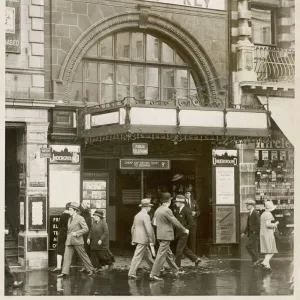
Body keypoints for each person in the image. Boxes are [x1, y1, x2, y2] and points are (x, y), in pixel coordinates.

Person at [149, 192, 189, 281]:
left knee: (168, 254)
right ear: (169, 201)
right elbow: (174, 221)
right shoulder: (167, 210)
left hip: (160, 235)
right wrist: (184, 229)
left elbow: (154, 223)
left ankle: (176, 270)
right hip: (166, 235)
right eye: (171, 200)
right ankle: (153, 274)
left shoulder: (158, 210)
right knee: (161, 255)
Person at [58, 202, 95, 278]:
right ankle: (64, 272)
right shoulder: (69, 219)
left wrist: (77, 233)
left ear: (75, 210)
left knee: (83, 255)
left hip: (77, 240)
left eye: (71, 210)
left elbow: (86, 229)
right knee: (66, 257)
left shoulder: (80, 218)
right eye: (69, 209)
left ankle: (90, 269)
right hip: (69, 241)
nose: (69, 211)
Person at [128, 198, 155, 280]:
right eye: (149, 206)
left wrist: (133, 239)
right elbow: (149, 229)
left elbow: (133, 228)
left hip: (139, 238)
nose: (150, 208)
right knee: (137, 256)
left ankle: (156, 268)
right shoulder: (146, 216)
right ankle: (131, 273)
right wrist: (152, 240)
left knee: (147, 255)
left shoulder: (137, 215)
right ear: (146, 207)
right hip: (144, 239)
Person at [173, 195, 201, 268]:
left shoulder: (186, 210)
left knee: (179, 250)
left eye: (177, 202)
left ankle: (177, 266)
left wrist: (185, 229)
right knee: (184, 248)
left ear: (181, 202)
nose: (175, 203)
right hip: (179, 233)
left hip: (183, 233)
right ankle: (196, 259)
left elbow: (192, 223)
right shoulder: (179, 210)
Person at [51, 202, 71, 273]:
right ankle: (66, 267)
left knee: (60, 250)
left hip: (62, 234)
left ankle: (59, 266)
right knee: (68, 250)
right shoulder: (71, 216)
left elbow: (59, 226)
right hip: (69, 234)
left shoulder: (63, 215)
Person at [259, 200, 279, 272]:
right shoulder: (269, 214)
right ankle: (264, 262)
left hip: (263, 234)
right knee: (272, 250)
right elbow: (268, 224)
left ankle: (267, 266)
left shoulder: (263, 214)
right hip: (268, 234)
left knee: (267, 251)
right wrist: (275, 224)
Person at [241, 199, 261, 267]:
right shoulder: (250, 213)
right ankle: (255, 262)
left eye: (248, 205)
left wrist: (256, 232)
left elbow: (258, 223)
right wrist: (244, 232)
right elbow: (248, 225)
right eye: (246, 205)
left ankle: (256, 259)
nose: (246, 206)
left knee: (248, 245)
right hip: (251, 233)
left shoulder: (255, 213)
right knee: (253, 247)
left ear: (252, 205)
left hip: (254, 233)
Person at [184, 187, 200, 254]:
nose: (187, 194)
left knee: (193, 239)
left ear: (190, 194)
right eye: (185, 193)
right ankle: (185, 254)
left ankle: (193, 254)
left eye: (188, 193)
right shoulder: (182, 202)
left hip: (193, 223)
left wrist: (196, 213)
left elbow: (199, 210)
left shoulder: (194, 201)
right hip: (185, 223)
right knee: (185, 239)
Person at [79, 202, 92, 272]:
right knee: (83, 251)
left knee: (86, 251)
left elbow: (89, 227)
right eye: (82, 205)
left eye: (83, 205)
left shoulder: (88, 215)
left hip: (86, 236)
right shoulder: (81, 215)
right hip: (81, 235)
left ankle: (87, 267)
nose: (82, 207)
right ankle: (84, 266)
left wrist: (89, 237)